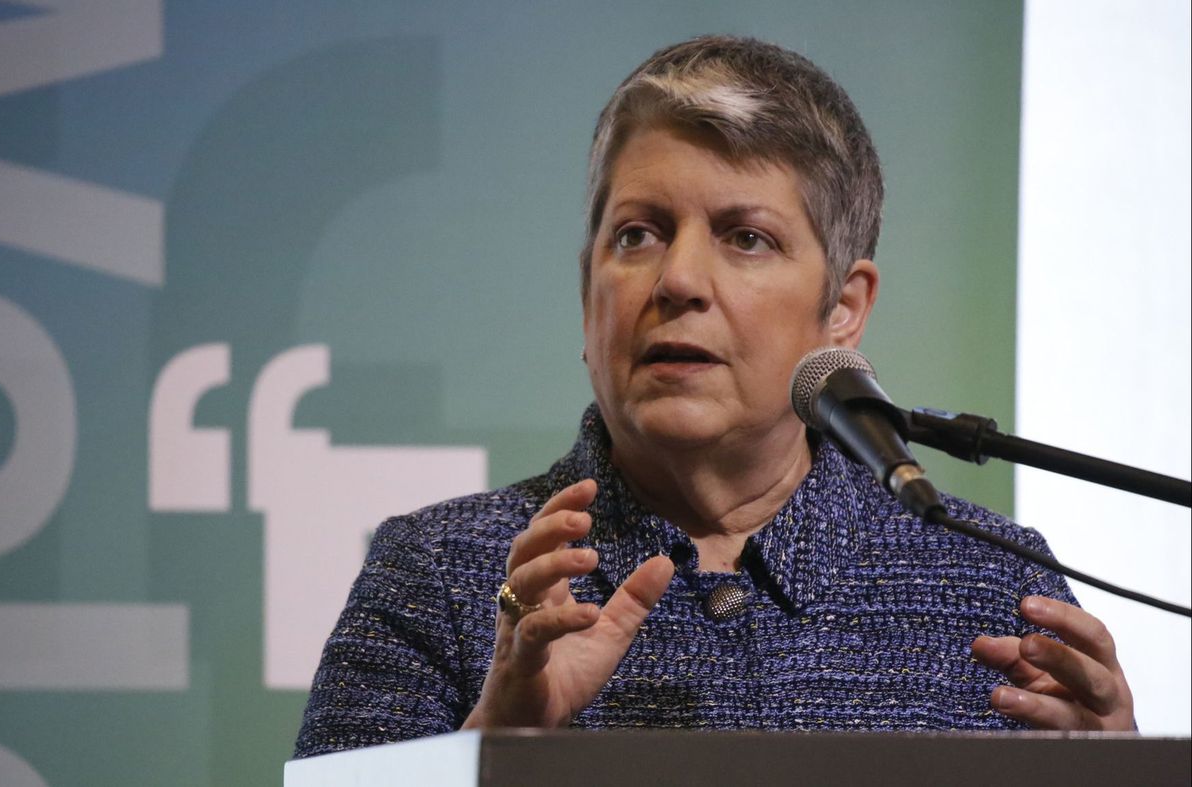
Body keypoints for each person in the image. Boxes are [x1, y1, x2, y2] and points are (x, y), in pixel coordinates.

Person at [293, 35, 1134, 758]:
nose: (679, 279)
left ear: (841, 310)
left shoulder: (992, 585)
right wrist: (495, 747)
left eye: (746, 238)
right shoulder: (441, 574)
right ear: (589, 293)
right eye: (637, 234)